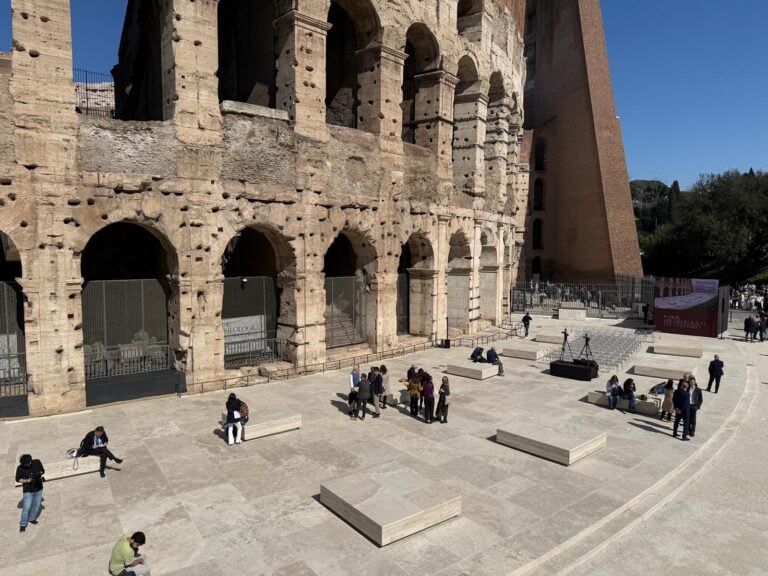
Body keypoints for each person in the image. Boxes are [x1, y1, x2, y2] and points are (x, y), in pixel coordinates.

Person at [15, 454, 44, 532]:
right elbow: (18, 479)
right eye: (23, 464)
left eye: (26, 464)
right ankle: (23, 524)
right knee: (26, 508)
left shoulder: (37, 462)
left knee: (36, 506)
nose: (25, 465)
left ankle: (32, 518)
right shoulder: (20, 468)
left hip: (38, 488)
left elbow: (42, 471)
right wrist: (27, 480)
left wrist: (39, 474)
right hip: (28, 490)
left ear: (30, 461)